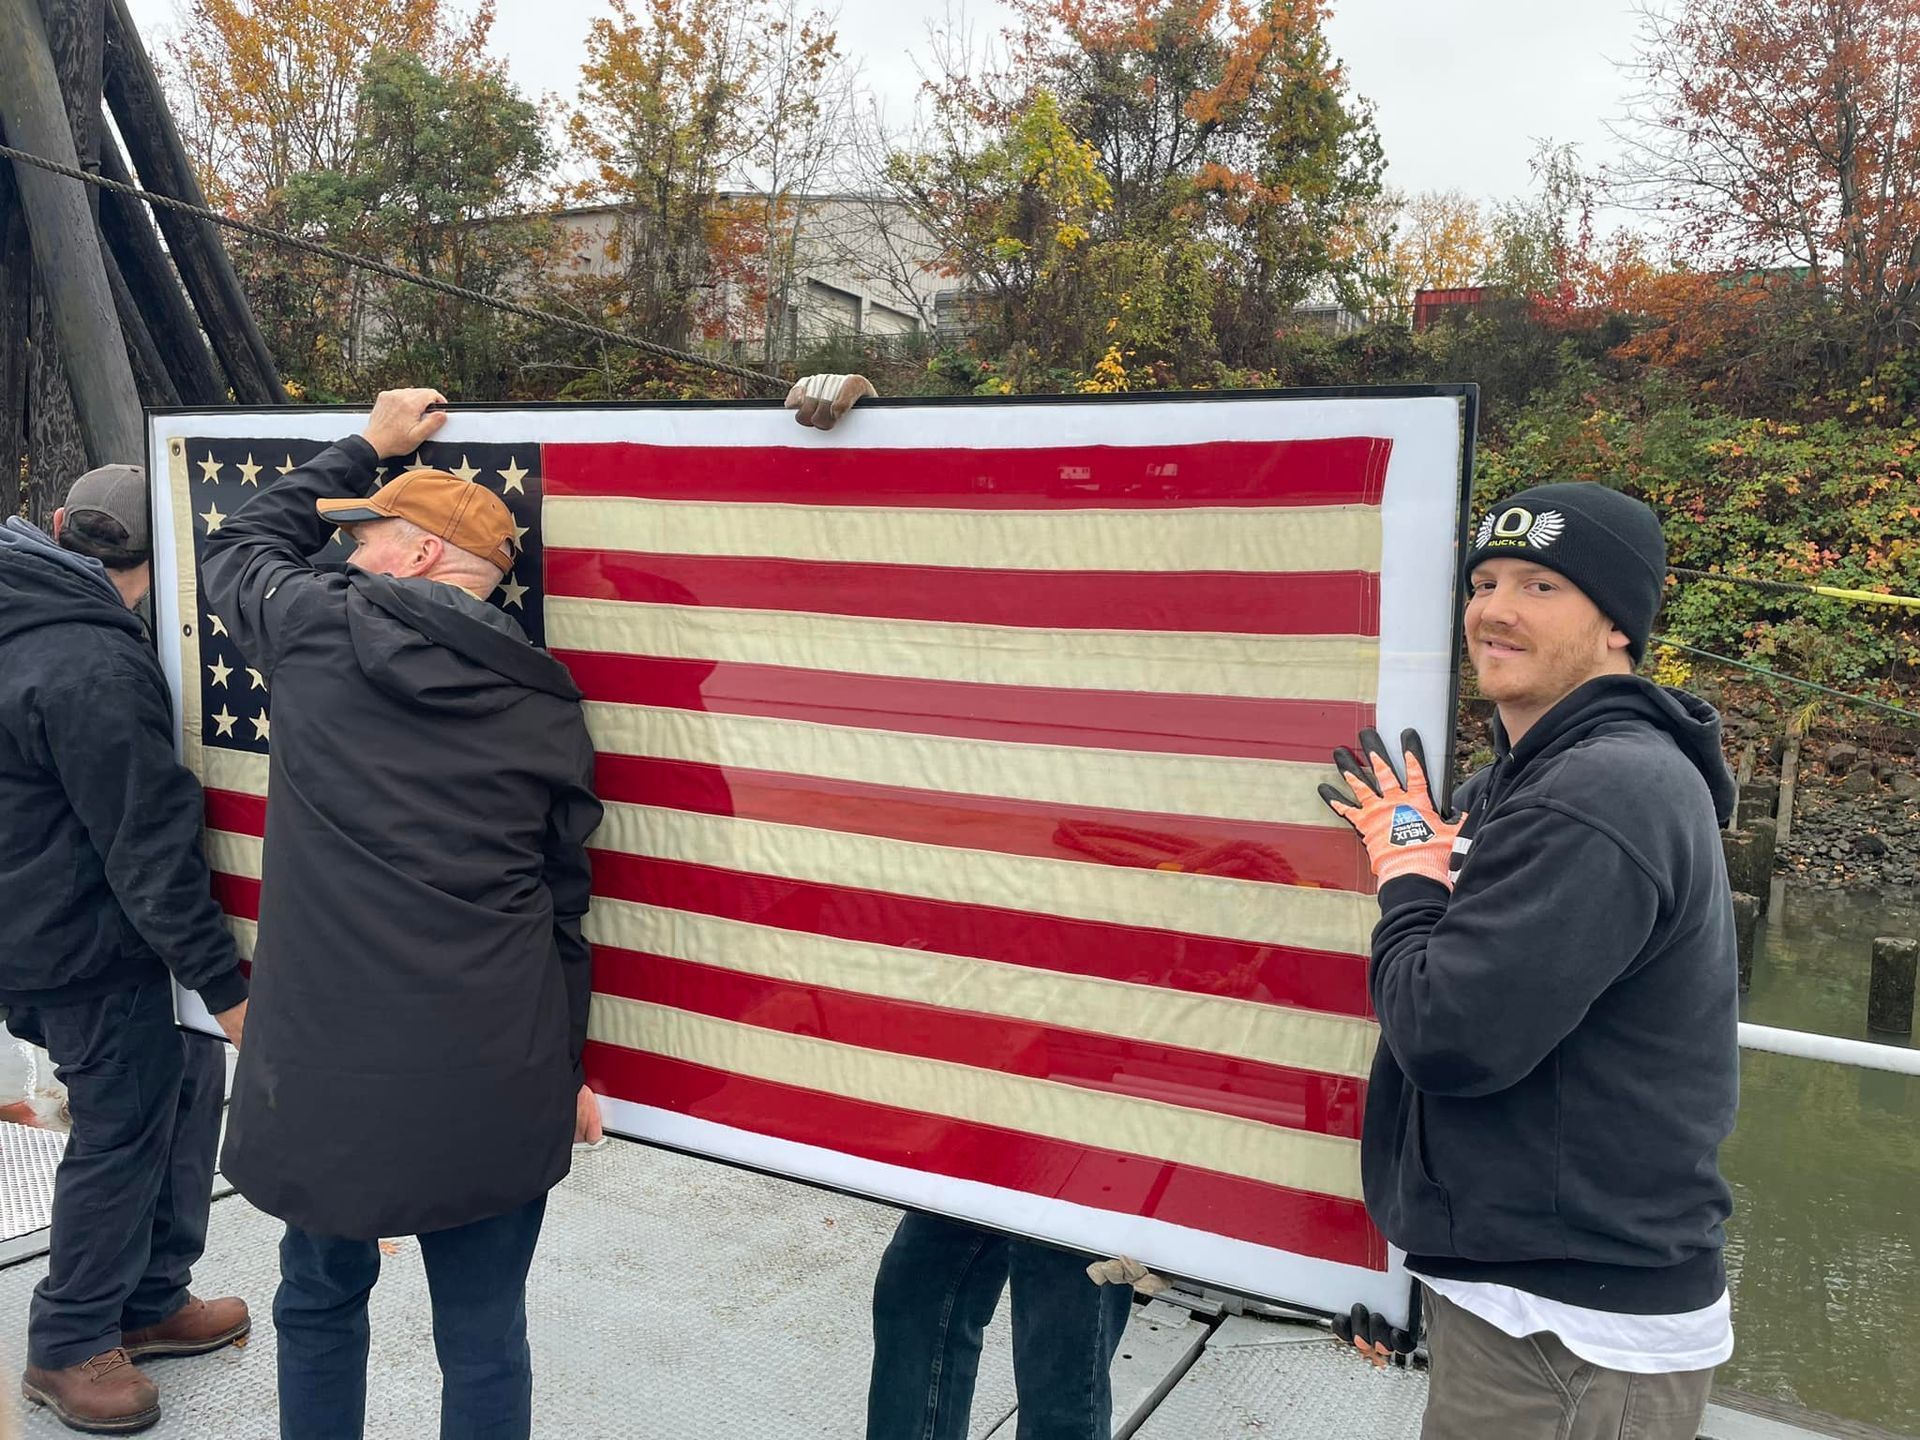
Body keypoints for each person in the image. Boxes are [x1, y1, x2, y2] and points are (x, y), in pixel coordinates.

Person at [200, 390, 604, 1440]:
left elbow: (241, 538)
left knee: (321, 1306)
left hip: (330, 1079)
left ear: (418, 555)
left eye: (366, 533)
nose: (347, 552)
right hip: (498, 1071)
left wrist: (368, 444)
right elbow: (563, 902)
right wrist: (570, 1065)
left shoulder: (318, 631)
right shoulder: (549, 698)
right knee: (483, 1337)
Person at [1319, 482, 1739, 1439]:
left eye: (1543, 584)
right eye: (1486, 579)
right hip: (1520, 1284)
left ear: (1617, 629)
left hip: (1573, 1330)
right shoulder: (1524, 780)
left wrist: (1409, 877)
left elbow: (1449, 1035)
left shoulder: (1601, 792)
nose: (1495, 609)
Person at [0, 466, 251, 1436]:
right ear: (165, 565)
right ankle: (67, 1345)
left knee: (186, 1084)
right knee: (126, 1122)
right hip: (82, 941)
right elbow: (149, 850)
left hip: (40, 915)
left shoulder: (21, 599)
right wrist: (227, 991)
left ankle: (150, 1296)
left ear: (58, 524)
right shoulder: (95, 666)